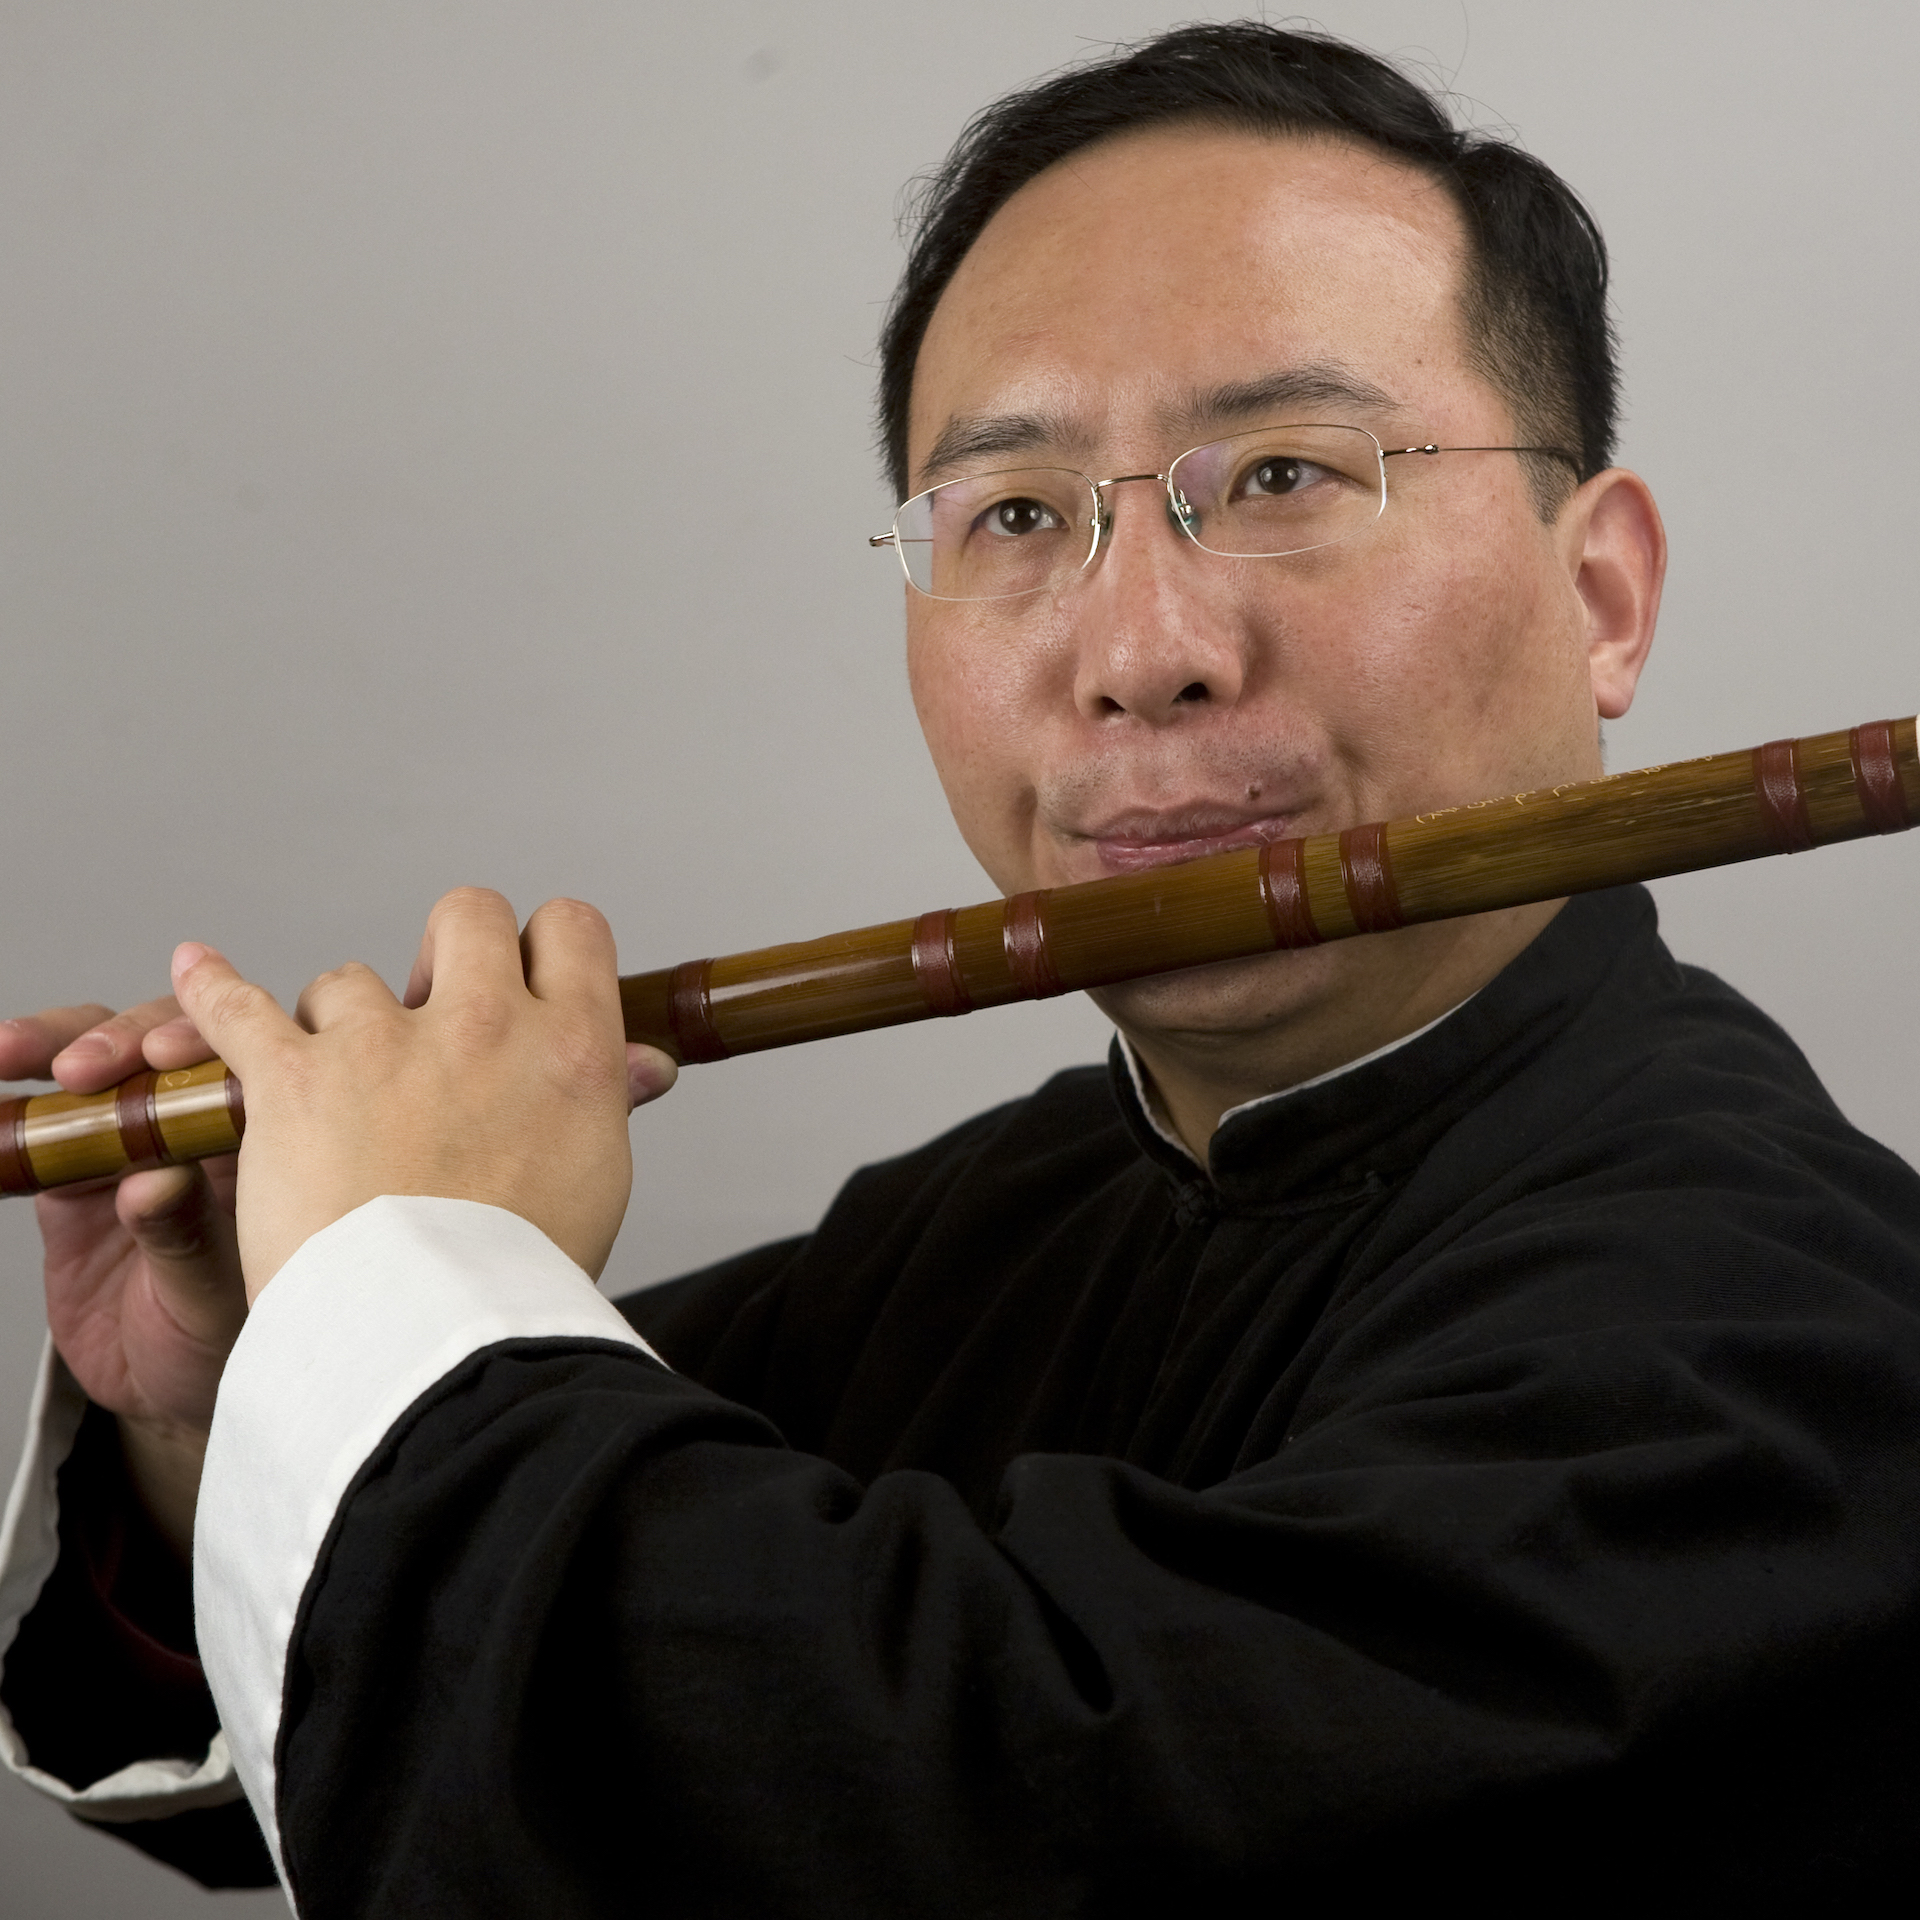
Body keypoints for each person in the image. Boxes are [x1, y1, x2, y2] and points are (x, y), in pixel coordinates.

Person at [5, 20, 1920, 1912]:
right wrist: (240, 1379)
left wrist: (407, 1281)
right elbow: (398, 1691)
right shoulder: (962, 1233)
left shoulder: (1779, 1333)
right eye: (1015, 514)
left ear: (1601, 596)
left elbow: (879, 1814)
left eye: (1283, 474)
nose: (1143, 653)